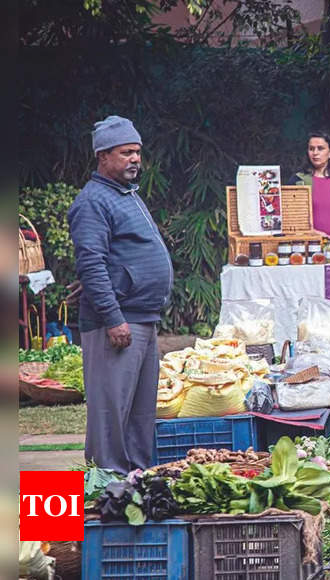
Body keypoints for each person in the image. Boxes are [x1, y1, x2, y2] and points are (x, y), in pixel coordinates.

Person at [68, 116, 174, 473]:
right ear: (103, 155)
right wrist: (113, 318)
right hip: (117, 323)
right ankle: (105, 490)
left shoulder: (126, 196)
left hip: (143, 318)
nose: (135, 159)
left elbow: (115, 256)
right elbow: (92, 263)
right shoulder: (92, 202)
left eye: (138, 153)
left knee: (140, 414)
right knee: (110, 415)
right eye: (126, 152)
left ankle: (136, 485)